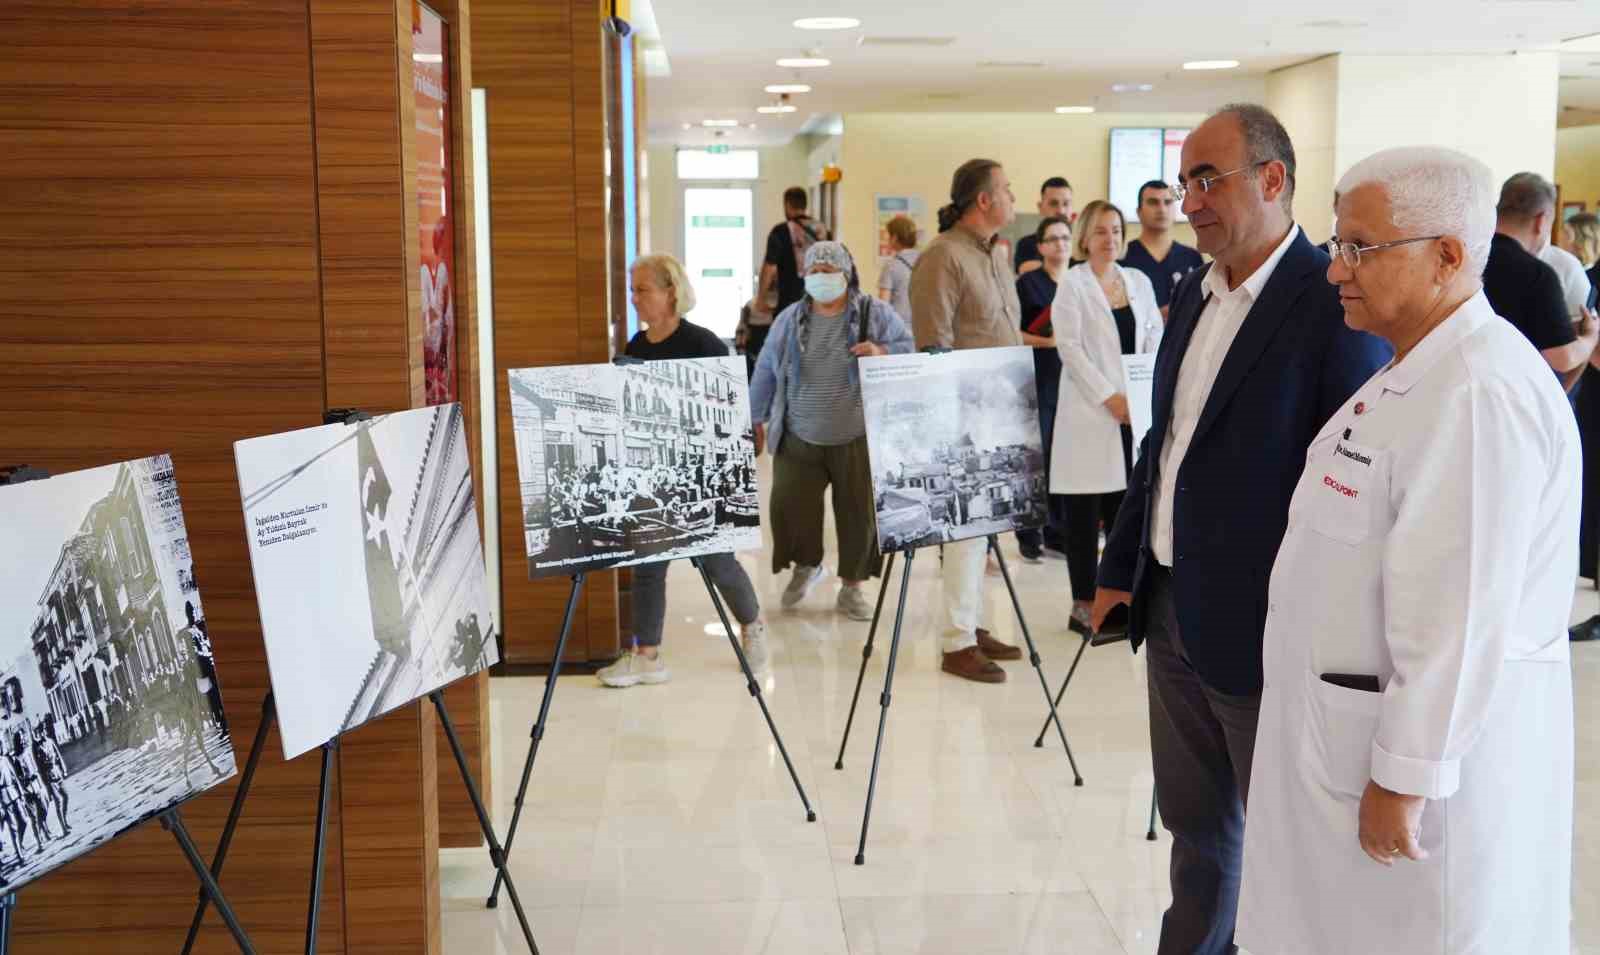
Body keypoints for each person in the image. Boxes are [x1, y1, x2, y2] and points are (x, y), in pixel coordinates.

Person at [1238, 145, 1581, 955]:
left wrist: (1405, 775)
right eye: (1336, 245)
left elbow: (1458, 613)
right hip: (1338, 745)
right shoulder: (1413, 371)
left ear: (1449, 256)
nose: (1335, 270)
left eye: (1360, 247)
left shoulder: (1477, 391)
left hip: (1417, 788)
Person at [1089, 104, 1391, 953]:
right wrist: (1123, 566)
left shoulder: (1330, 301)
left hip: (1267, 629)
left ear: (1272, 179)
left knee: (1287, 848)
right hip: (1172, 612)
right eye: (1186, 182)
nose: (1190, 201)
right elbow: (1166, 439)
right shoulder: (1195, 288)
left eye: (1207, 179)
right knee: (1197, 836)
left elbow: (1351, 486)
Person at [596, 253, 771, 688]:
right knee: (649, 563)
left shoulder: (704, 344)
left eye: (643, 289)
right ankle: (647, 654)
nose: (635, 298)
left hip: (702, 474)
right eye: (633, 289)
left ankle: (753, 625)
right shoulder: (636, 347)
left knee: (717, 562)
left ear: (670, 292)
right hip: (653, 473)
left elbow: (733, 408)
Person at [908, 158, 1030, 683]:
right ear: (983, 200)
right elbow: (933, 344)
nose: (1011, 196)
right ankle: (956, 643)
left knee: (984, 532)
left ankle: (973, 624)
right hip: (964, 418)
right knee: (962, 532)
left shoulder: (996, 255)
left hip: (1001, 413)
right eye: (1006, 188)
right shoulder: (943, 256)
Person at [751, 241, 914, 620]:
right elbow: (765, 371)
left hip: (856, 436)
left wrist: (881, 352)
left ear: (846, 274)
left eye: (829, 271)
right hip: (798, 435)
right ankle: (807, 565)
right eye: (815, 272)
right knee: (790, 507)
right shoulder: (789, 319)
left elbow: (910, 347)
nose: (822, 278)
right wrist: (754, 417)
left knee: (859, 516)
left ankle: (852, 588)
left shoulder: (874, 313)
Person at [1051, 200, 1162, 634]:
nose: (1110, 238)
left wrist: (1139, 394)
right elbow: (1071, 350)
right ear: (1085, 237)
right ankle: (1082, 603)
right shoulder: (1073, 285)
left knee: (1125, 511)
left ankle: (1116, 601)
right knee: (1083, 515)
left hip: (1134, 411)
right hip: (1091, 413)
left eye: (1116, 230)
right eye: (1100, 231)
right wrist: (1109, 398)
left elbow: (1155, 335)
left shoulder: (1137, 281)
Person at [1483, 172, 1599, 392]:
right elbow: (1562, 358)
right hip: (1514, 393)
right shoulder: (1537, 275)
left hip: (1457, 385)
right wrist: (1590, 337)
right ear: (1541, 220)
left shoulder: (1464, 257)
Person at [1014, 216, 1074, 562]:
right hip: (1038, 381)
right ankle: (1029, 535)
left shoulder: (1081, 281)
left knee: (1064, 459)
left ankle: (1058, 533)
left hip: (1074, 384)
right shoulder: (1028, 284)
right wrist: (1046, 340)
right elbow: (1012, 331)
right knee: (1036, 461)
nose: (1059, 244)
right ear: (1040, 247)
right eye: (1052, 239)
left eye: (1065, 238)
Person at [1120, 180, 1205, 319]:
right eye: (1153, 202)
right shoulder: (1123, 257)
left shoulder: (1192, 258)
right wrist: (1155, 319)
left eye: (1168, 202)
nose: (1161, 209)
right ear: (1138, 211)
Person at [755, 186, 828, 324]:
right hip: (819, 303)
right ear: (805, 205)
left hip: (789, 304)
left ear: (787, 205)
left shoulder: (780, 231)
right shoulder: (823, 230)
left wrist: (761, 299)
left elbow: (769, 268)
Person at [1014, 177, 1074, 276]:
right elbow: (1025, 270)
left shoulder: (1082, 244)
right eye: (1053, 204)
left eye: (1066, 204)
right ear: (1040, 207)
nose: (1061, 210)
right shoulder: (1026, 243)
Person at [876, 214, 919, 324]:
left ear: (894, 238)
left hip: (899, 331)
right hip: (923, 330)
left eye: (888, 236)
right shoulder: (927, 262)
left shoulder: (891, 266)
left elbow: (883, 307)